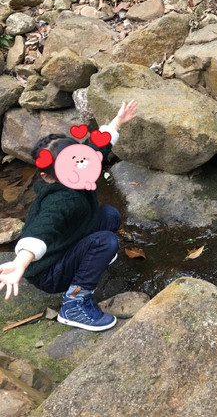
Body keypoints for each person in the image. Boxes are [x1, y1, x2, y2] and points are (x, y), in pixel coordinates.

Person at [0, 100, 138, 332]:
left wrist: (117, 122)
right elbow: (42, 229)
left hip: (66, 243)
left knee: (109, 215)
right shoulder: (59, 200)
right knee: (106, 241)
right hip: (49, 272)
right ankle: (73, 305)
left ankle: (91, 260)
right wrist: (20, 263)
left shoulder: (82, 166)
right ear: (47, 176)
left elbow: (98, 148)